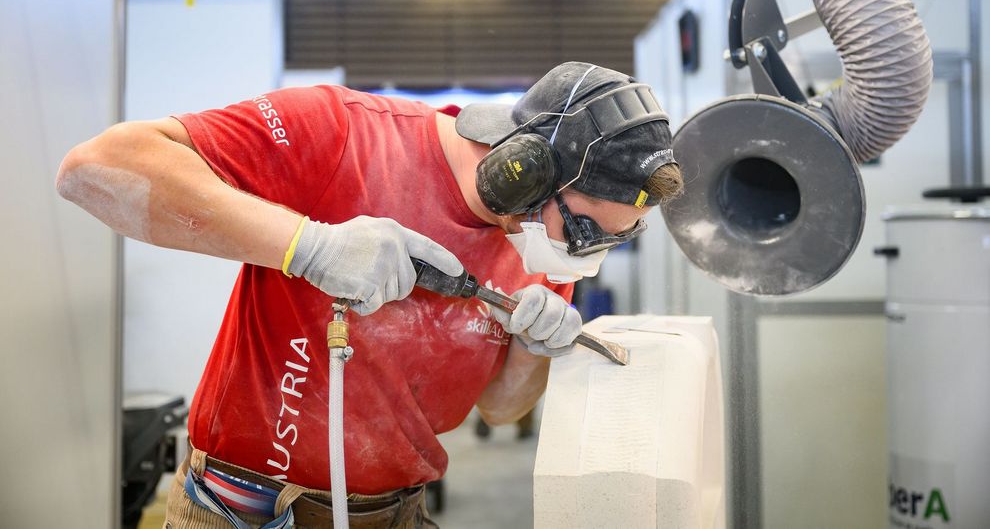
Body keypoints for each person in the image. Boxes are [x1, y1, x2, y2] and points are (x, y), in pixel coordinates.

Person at [56, 61, 682, 528]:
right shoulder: (343, 134)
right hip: (244, 509)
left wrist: (534, 350)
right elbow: (96, 168)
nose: (585, 255)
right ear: (522, 169)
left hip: (395, 513)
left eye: (613, 241)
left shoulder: (549, 248)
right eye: (583, 229)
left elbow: (499, 409)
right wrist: (309, 246)